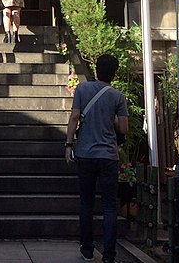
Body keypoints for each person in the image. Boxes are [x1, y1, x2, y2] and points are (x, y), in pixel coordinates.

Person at [64, 54, 129, 263]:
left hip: (85, 154)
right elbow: (124, 128)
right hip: (109, 155)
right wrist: (114, 119)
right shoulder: (117, 96)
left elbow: (74, 117)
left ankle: (87, 250)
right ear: (114, 73)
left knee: (86, 203)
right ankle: (109, 255)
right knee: (110, 205)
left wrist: (68, 145)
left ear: (96, 69)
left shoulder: (82, 90)